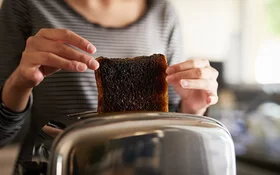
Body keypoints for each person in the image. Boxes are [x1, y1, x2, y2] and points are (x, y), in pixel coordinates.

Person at [0, 0, 218, 161]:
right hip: (54, 165)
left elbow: (170, 135)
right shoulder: (26, 5)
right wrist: (19, 84)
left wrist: (192, 110)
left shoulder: (163, 12)